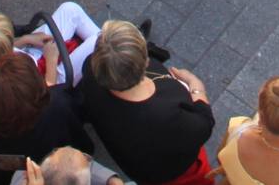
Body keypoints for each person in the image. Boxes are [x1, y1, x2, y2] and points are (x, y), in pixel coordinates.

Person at [77, 21, 216, 185]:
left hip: (138, 169)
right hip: (174, 173)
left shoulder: (89, 70)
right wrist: (196, 87)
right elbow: (205, 124)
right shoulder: (169, 114)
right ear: (146, 62)